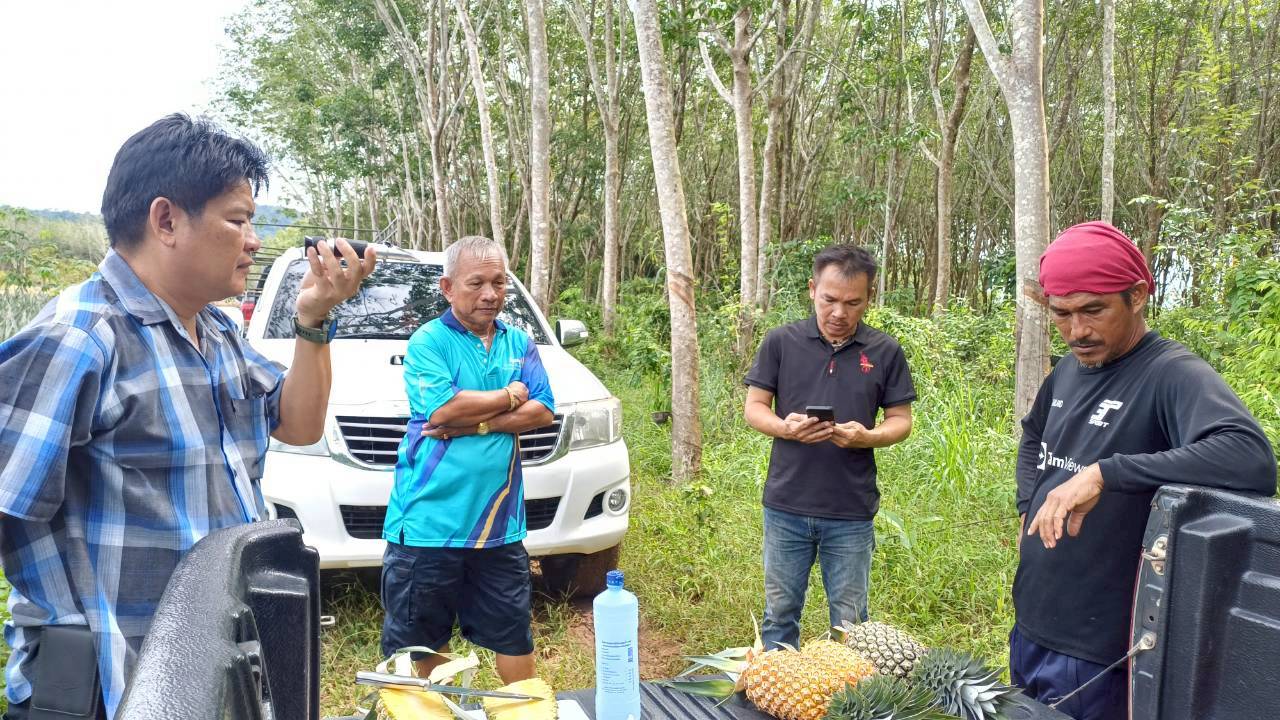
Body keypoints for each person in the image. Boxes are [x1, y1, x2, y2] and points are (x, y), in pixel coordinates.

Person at [0, 114, 376, 719]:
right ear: (166, 220)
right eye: (238, 220)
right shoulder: (82, 339)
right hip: (115, 688)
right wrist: (63, 621)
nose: (253, 240)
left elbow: (298, 424)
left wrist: (314, 318)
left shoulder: (217, 332)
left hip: (214, 675)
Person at [1012, 221, 1277, 720]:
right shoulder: (1069, 368)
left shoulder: (1171, 373)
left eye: (1094, 310)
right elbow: (1033, 436)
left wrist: (1104, 473)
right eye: (1061, 314)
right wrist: (1029, 502)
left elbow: (1249, 456)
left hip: (1101, 647)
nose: (1076, 331)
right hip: (1034, 619)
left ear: (1136, 296)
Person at [380, 236, 554, 683]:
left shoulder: (519, 342)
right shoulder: (429, 341)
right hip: (428, 525)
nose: (490, 294)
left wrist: (479, 425)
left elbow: (543, 410)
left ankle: (522, 711)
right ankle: (441, 709)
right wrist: (510, 395)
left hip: (499, 528)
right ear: (448, 287)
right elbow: (443, 410)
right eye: (476, 283)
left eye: (499, 282)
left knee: (514, 636)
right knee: (425, 640)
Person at [743, 244, 916, 650]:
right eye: (829, 300)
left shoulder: (885, 351)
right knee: (779, 614)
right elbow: (754, 408)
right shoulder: (781, 342)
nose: (839, 313)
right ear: (812, 290)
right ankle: (780, 684)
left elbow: (901, 420)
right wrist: (785, 428)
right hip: (786, 505)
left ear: (869, 297)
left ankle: (851, 690)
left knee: (851, 623)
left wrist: (867, 436)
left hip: (850, 509)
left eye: (853, 303)